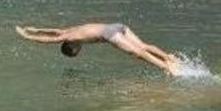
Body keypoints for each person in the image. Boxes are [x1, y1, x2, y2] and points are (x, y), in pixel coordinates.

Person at [14, 22, 181, 76]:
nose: (78, 51)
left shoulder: (69, 38)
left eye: (75, 53)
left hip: (108, 33)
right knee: (143, 46)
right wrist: (35, 29)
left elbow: (50, 39)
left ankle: (166, 67)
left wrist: (28, 36)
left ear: (70, 47)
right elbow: (55, 31)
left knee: (136, 52)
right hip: (117, 25)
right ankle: (168, 57)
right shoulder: (69, 31)